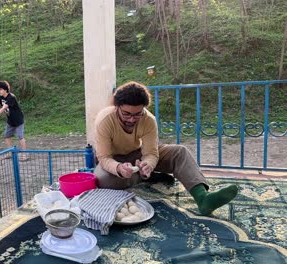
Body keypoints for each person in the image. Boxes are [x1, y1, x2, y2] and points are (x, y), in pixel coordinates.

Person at [93, 81, 238, 216]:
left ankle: (203, 198)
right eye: (126, 114)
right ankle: (147, 177)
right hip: (114, 159)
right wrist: (118, 168)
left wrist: (148, 164)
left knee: (180, 152)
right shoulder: (105, 120)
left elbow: (150, 152)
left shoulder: (148, 120)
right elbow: (104, 157)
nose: (131, 119)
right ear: (117, 107)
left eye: (137, 114)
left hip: (137, 155)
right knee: (104, 180)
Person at [0, 81, 27, 160]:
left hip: (18, 120)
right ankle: (10, 153)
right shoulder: (1, 97)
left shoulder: (11, 97)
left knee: (20, 136)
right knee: (7, 136)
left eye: (0, 89)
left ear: (5, 90)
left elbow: (4, 108)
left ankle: (24, 155)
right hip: (10, 121)